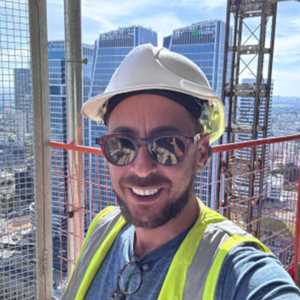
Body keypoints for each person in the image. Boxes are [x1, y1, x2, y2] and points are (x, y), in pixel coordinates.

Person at [62, 44, 300, 300]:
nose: (141, 168)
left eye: (167, 145)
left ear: (201, 153)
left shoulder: (234, 271)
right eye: (121, 145)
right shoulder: (103, 225)